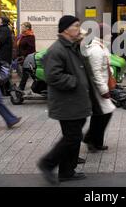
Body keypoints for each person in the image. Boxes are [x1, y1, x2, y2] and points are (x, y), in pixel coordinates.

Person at [37, 15, 94, 184]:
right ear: (66, 29)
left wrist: (80, 42)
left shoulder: (72, 46)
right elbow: (52, 76)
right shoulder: (57, 50)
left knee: (73, 137)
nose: (79, 29)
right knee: (72, 137)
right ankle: (47, 163)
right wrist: (75, 81)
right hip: (66, 102)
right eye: (76, 26)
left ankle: (67, 171)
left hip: (76, 101)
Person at [82, 23, 116, 152]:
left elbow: (105, 66)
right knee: (103, 113)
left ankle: (94, 141)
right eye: (109, 32)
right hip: (97, 88)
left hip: (100, 86)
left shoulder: (101, 47)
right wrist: (103, 90)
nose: (111, 35)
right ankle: (90, 139)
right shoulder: (96, 50)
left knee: (101, 114)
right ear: (103, 34)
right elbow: (96, 72)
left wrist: (111, 74)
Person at [0, 16, 13, 95]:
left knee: (4, 72)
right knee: (4, 72)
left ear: (2, 21)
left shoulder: (4, 30)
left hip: (3, 54)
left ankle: (5, 90)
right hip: (5, 54)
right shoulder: (5, 29)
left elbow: (0, 41)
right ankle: (6, 90)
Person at [17, 22, 36, 91]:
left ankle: (21, 87)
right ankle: (39, 84)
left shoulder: (30, 36)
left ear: (27, 28)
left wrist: (24, 55)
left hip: (28, 58)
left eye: (23, 27)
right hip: (23, 57)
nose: (21, 28)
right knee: (28, 72)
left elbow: (31, 48)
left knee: (27, 72)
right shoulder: (23, 35)